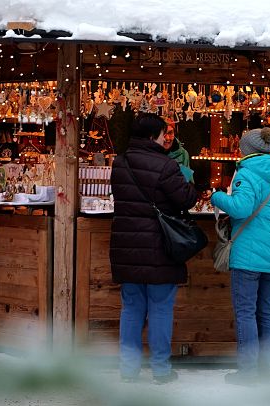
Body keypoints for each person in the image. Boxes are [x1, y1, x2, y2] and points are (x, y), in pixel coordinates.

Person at [110, 114, 197, 384]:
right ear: (152, 136)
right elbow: (186, 199)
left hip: (127, 246)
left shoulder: (119, 162)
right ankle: (160, 370)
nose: (165, 138)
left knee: (131, 309)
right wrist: (190, 182)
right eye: (162, 134)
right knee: (160, 309)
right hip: (161, 247)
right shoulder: (166, 165)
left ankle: (128, 369)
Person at [210, 127, 270, 385]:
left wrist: (217, 197)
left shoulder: (245, 174)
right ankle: (267, 371)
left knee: (245, 312)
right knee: (266, 312)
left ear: (246, 149)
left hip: (248, 254)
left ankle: (247, 373)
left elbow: (242, 208)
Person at [162, 117, 194, 182]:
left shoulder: (183, 154)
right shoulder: (149, 153)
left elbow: (188, 182)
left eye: (170, 133)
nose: (167, 138)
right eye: (163, 134)